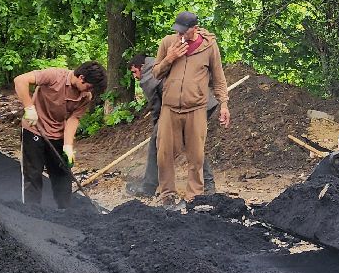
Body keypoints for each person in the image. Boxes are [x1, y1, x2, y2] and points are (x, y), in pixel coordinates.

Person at [152, 11, 230, 200]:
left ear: (194, 29)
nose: (179, 35)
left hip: (196, 108)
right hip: (169, 108)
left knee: (196, 156)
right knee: (164, 154)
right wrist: (169, 58)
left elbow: (219, 78)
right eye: (177, 31)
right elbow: (155, 73)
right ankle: (167, 194)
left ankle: (194, 197)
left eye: (183, 32)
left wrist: (224, 104)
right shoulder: (167, 43)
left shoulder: (209, 46)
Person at [13, 61, 106, 208]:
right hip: (34, 129)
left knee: (62, 176)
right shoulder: (54, 76)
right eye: (89, 86)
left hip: (57, 135)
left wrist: (68, 146)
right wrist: (29, 107)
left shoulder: (85, 96)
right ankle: (31, 213)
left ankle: (65, 213)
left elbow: (73, 119)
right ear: (81, 77)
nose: (88, 91)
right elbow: (20, 80)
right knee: (33, 174)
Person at [126, 52, 216, 198]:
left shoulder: (150, 75)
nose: (135, 77)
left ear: (141, 67)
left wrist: (159, 133)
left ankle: (148, 187)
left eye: (134, 72)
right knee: (192, 144)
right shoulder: (163, 64)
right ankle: (208, 185)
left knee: (158, 142)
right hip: (199, 103)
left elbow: (156, 108)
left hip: (191, 105)